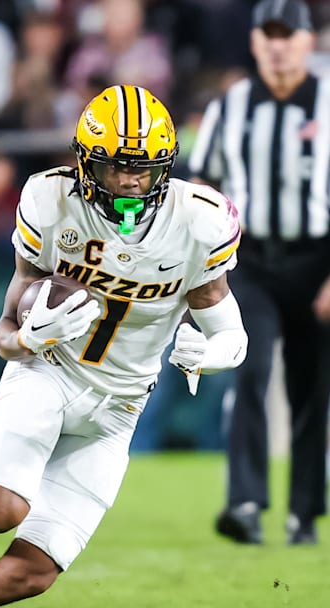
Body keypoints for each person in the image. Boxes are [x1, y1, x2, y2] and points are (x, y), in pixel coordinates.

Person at [0, 85, 249, 608]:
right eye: (114, 166)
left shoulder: (198, 222)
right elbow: (6, 332)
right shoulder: (51, 201)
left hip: (120, 409)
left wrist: (212, 354)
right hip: (50, 374)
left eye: (142, 168)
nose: (128, 181)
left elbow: (231, 333)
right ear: (84, 162)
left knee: (29, 575)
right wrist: (29, 337)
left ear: (166, 167)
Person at [187, 0, 330, 546]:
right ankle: (245, 502)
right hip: (249, 263)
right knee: (246, 367)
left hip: (318, 260)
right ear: (253, 42)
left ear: (307, 41)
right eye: (267, 33)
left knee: (310, 387)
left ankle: (304, 515)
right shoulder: (232, 106)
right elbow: (203, 190)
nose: (276, 44)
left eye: (286, 33)